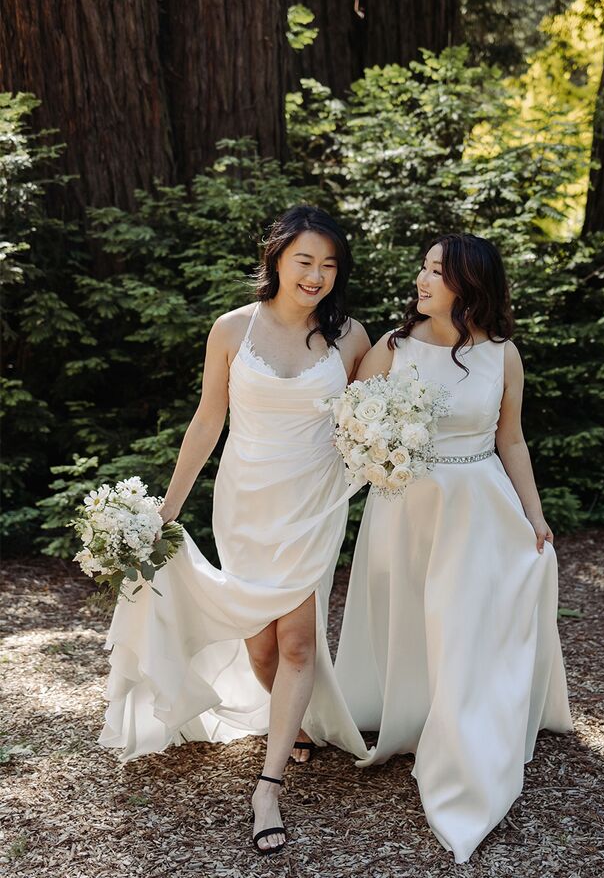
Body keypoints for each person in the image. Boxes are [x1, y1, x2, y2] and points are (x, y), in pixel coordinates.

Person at [98, 205, 371, 855]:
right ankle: (289, 717)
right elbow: (206, 420)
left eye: (330, 265)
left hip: (313, 505)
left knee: (299, 642)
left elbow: (374, 417)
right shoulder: (231, 329)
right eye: (306, 260)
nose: (317, 275)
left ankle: (268, 785)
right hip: (245, 503)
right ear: (276, 256)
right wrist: (164, 510)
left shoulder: (353, 338)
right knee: (264, 650)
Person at [334, 233, 572, 863]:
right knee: (411, 610)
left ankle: (465, 731)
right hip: (404, 505)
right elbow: (350, 423)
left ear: (469, 284)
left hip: (478, 504)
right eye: (423, 267)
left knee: (464, 620)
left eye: (437, 271)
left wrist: (535, 515)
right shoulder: (392, 347)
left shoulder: (502, 355)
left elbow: (512, 442)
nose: (422, 278)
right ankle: (409, 715)